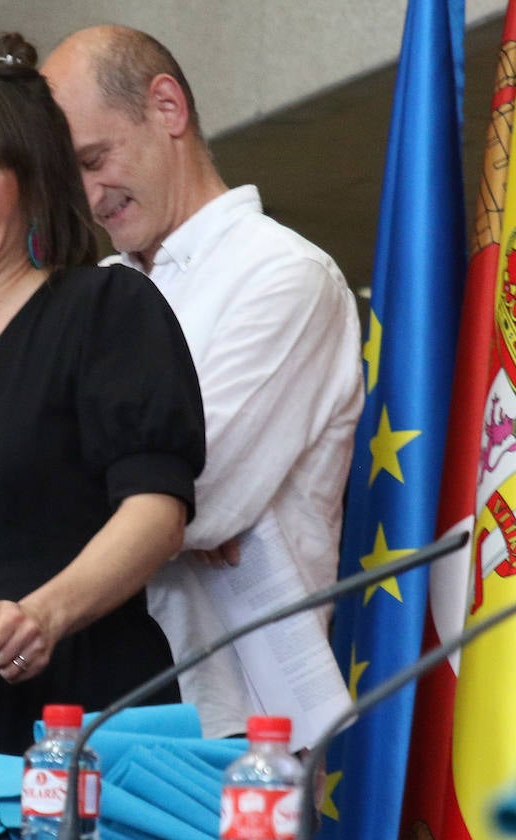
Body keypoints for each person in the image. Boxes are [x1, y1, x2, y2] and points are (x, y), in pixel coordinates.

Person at [0, 35, 207, 755]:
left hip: (88, 718)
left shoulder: (103, 309)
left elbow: (157, 510)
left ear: (33, 186)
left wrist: (44, 613)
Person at [41, 26, 363, 739]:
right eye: (72, 177)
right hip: (102, 697)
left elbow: (197, 495)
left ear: (167, 107)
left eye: (97, 159)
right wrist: (146, 501)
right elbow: (136, 495)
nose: (90, 198)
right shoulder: (100, 290)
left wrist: (159, 506)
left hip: (239, 722)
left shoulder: (282, 274)